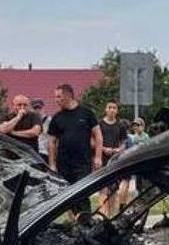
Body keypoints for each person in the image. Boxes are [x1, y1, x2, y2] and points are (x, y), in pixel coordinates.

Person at [47, 84, 101, 213]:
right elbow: (51, 142)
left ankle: (86, 220)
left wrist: (98, 156)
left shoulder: (86, 113)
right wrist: (52, 164)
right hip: (64, 163)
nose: (56, 100)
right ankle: (77, 221)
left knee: (81, 193)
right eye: (55, 97)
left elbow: (98, 135)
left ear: (68, 95)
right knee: (68, 196)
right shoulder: (57, 118)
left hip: (83, 162)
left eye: (59, 96)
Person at [98, 101, 128, 215]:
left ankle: (110, 215)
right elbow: (94, 141)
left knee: (113, 189)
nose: (112, 110)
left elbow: (124, 142)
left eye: (114, 108)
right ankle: (102, 214)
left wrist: (118, 150)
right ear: (106, 109)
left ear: (117, 110)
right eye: (109, 107)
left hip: (116, 160)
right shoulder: (99, 124)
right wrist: (103, 148)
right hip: (102, 160)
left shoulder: (120, 126)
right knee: (103, 188)